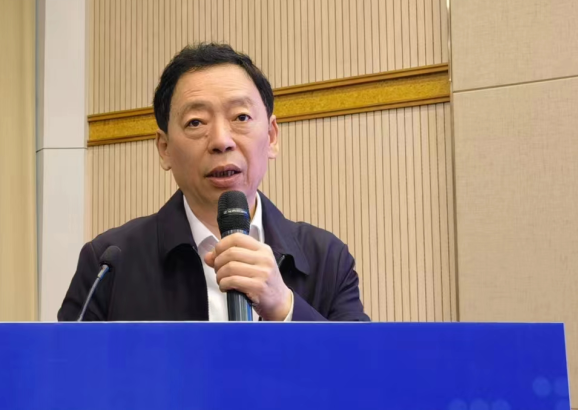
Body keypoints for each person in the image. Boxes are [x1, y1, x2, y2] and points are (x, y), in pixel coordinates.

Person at [58, 43, 370, 322]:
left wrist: (284, 308)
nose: (221, 141)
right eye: (196, 122)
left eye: (241, 117)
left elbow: (364, 367)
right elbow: (64, 366)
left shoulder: (327, 258)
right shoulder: (109, 263)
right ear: (164, 149)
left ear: (272, 136)